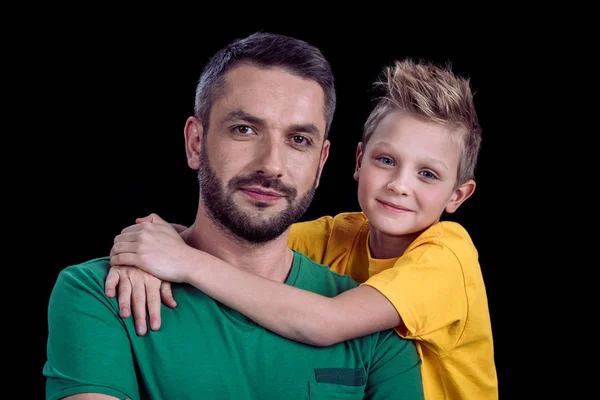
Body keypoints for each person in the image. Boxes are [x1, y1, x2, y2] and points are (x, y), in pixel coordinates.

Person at [42, 31, 425, 400]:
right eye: (244, 129)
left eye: (298, 140)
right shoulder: (102, 294)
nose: (272, 165)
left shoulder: (372, 328)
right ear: (195, 143)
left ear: (321, 163)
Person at [106, 58, 498, 399]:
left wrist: (182, 262)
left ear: (458, 195)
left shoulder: (448, 257)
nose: (400, 184)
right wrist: (145, 250)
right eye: (386, 160)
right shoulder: (339, 234)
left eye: (427, 174)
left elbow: (326, 322)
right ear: (359, 161)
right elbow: (231, 242)